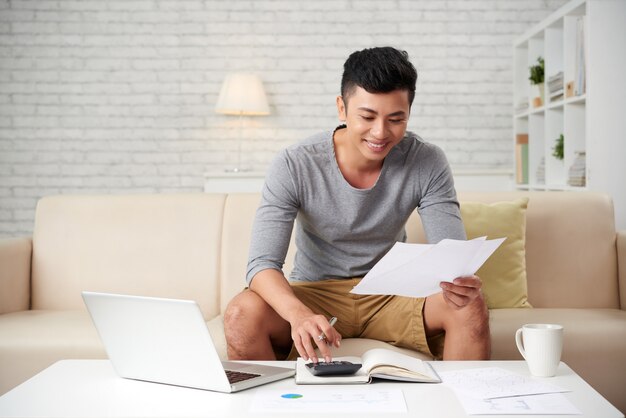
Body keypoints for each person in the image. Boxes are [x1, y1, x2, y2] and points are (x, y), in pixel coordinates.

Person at [224, 46, 490, 364]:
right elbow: (261, 265)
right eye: (367, 116)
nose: (380, 132)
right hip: (315, 290)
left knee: (469, 306)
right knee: (241, 313)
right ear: (342, 108)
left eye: (396, 119)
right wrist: (298, 314)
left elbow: (451, 253)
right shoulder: (294, 163)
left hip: (393, 293)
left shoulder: (426, 160)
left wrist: (459, 280)